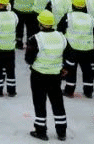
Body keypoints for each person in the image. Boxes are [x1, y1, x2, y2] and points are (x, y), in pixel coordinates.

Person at [26, 11, 67, 141]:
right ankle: (61, 132)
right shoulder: (62, 37)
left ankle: (41, 131)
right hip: (55, 76)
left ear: (40, 23)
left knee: (39, 103)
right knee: (57, 103)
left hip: (38, 75)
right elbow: (68, 54)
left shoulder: (35, 39)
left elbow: (29, 59)